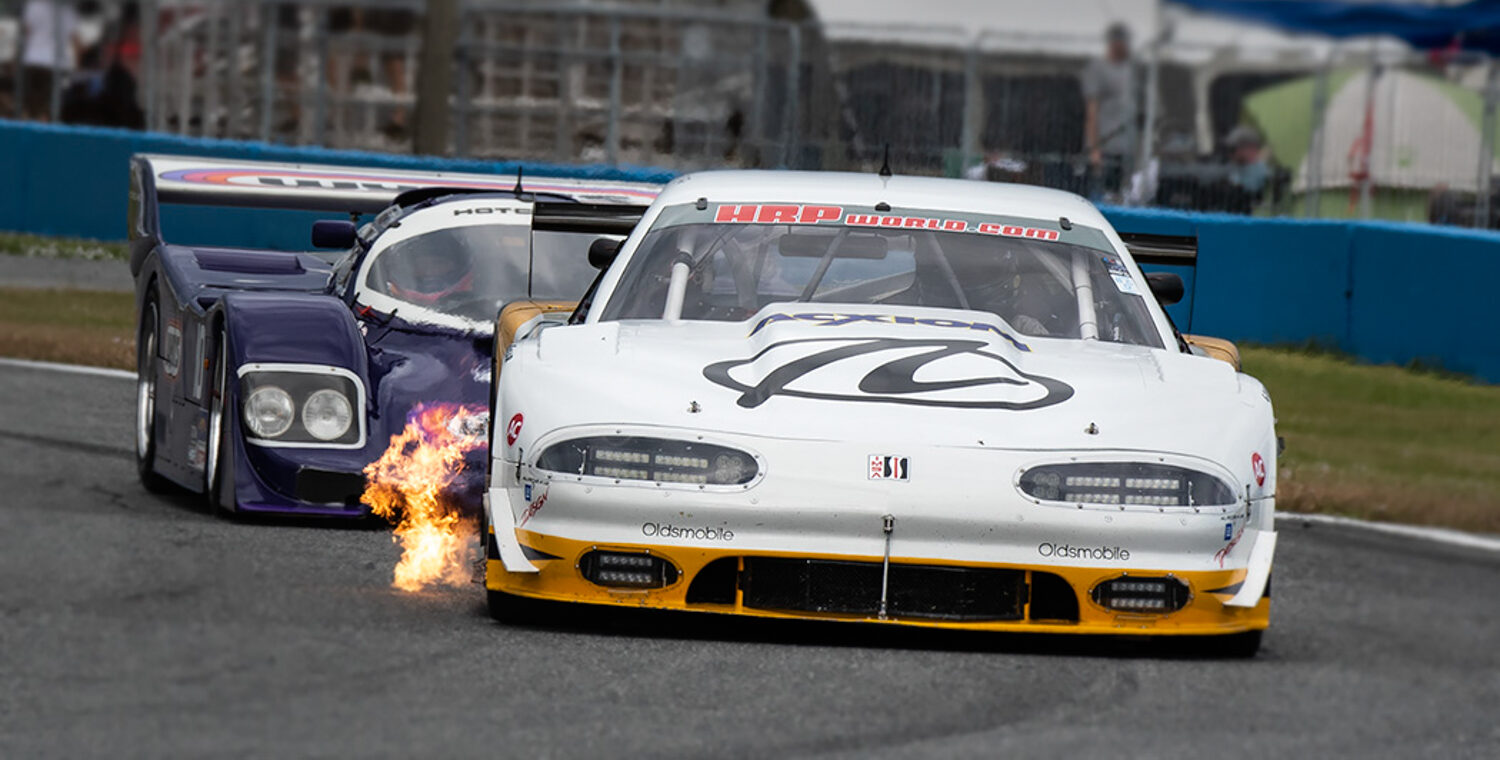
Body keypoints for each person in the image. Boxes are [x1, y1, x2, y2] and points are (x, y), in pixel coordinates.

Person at [1082, 22, 1139, 201]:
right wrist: (1094, 149)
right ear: (1113, 43)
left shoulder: (1132, 70)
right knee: (1100, 195)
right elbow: (1091, 112)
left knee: (1122, 194)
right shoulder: (1097, 68)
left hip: (1126, 147)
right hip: (1106, 147)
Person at [20, 0, 81, 121]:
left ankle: (28, 126)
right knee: (48, 105)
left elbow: (25, 33)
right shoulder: (67, 10)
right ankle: (43, 129)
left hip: (32, 60)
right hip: (56, 63)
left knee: (29, 103)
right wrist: (78, 67)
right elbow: (76, 42)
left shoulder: (33, 5)